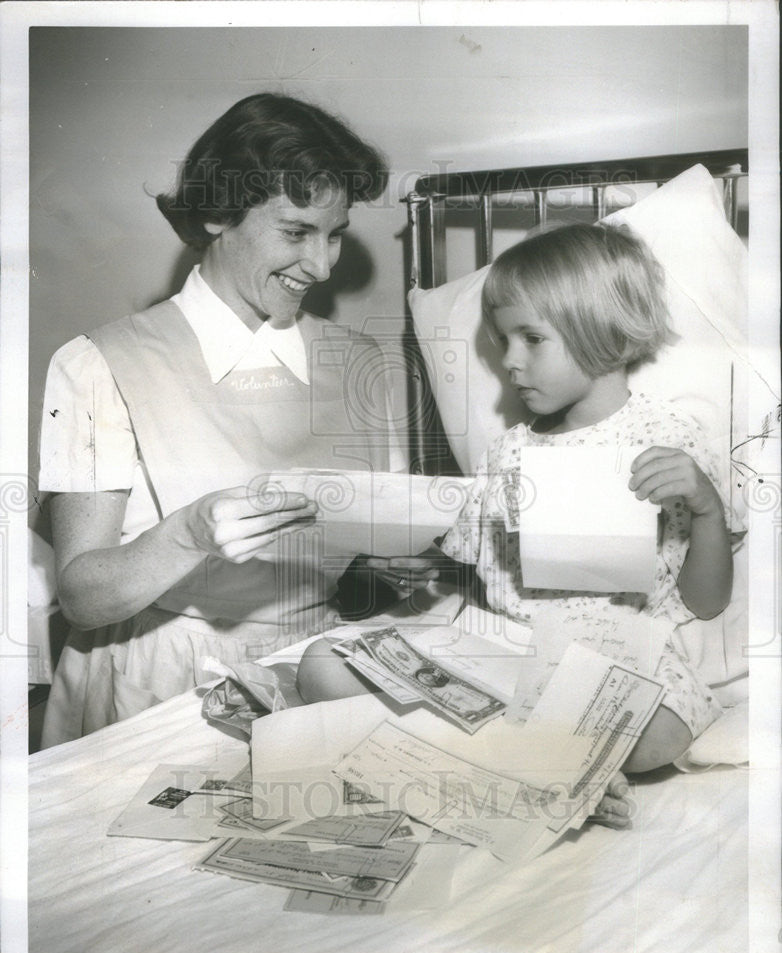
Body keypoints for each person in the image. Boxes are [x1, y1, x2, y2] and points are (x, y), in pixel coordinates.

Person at [297, 223, 738, 796]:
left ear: (601, 332)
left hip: (613, 649)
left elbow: (707, 604)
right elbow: (472, 562)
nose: (508, 361)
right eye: (502, 341)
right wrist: (419, 555)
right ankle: (541, 762)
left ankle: (497, 756)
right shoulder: (510, 451)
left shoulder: (671, 443)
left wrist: (706, 508)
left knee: (659, 738)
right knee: (322, 662)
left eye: (531, 339)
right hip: (507, 645)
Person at [38, 93, 404, 748]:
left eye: (336, 234)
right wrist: (188, 534)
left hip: (320, 670)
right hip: (163, 684)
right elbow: (82, 598)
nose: (322, 266)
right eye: (296, 232)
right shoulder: (99, 366)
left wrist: (398, 564)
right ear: (215, 214)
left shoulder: (361, 362)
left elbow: (354, 554)